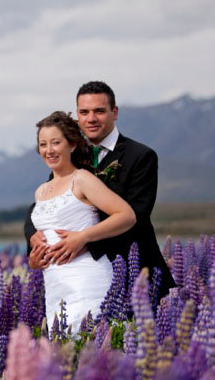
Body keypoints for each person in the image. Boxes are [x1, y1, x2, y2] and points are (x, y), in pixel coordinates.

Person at [25, 81, 176, 303]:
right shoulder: (69, 155)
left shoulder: (140, 156)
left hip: (136, 272)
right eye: (84, 112)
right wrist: (35, 239)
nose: (91, 119)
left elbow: (137, 216)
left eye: (99, 111)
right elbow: (45, 203)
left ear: (114, 113)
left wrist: (82, 240)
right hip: (74, 277)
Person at [29, 110, 136, 331]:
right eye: (43, 144)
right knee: (64, 356)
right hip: (55, 284)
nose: (49, 150)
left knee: (94, 349)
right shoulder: (40, 191)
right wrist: (34, 260)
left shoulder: (82, 179)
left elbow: (126, 215)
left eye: (56, 143)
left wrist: (83, 237)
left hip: (87, 279)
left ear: (72, 145)